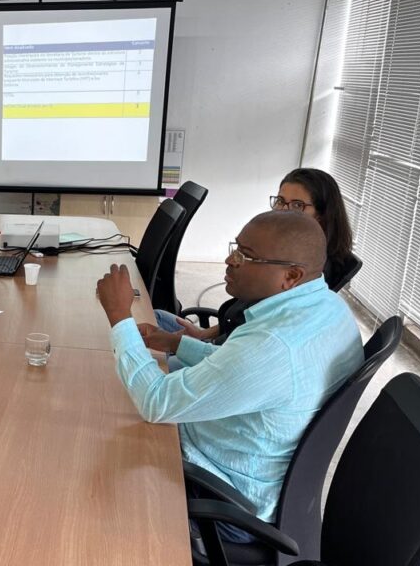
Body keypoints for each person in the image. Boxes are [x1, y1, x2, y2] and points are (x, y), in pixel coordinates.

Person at [96, 210, 362, 543]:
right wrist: (177, 343)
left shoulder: (273, 346)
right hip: (249, 462)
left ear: (291, 276)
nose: (229, 260)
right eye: (235, 247)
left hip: (223, 499)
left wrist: (119, 315)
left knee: (94, 448)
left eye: (245, 256)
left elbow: (156, 402)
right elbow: (238, 367)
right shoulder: (326, 307)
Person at [156, 167, 356, 345]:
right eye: (280, 201)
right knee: (156, 318)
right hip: (221, 339)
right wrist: (203, 334)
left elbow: (254, 336)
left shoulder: (309, 272)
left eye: (297, 205)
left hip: (230, 352)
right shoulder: (274, 251)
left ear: (323, 215)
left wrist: (197, 345)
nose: (283, 210)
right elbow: (243, 315)